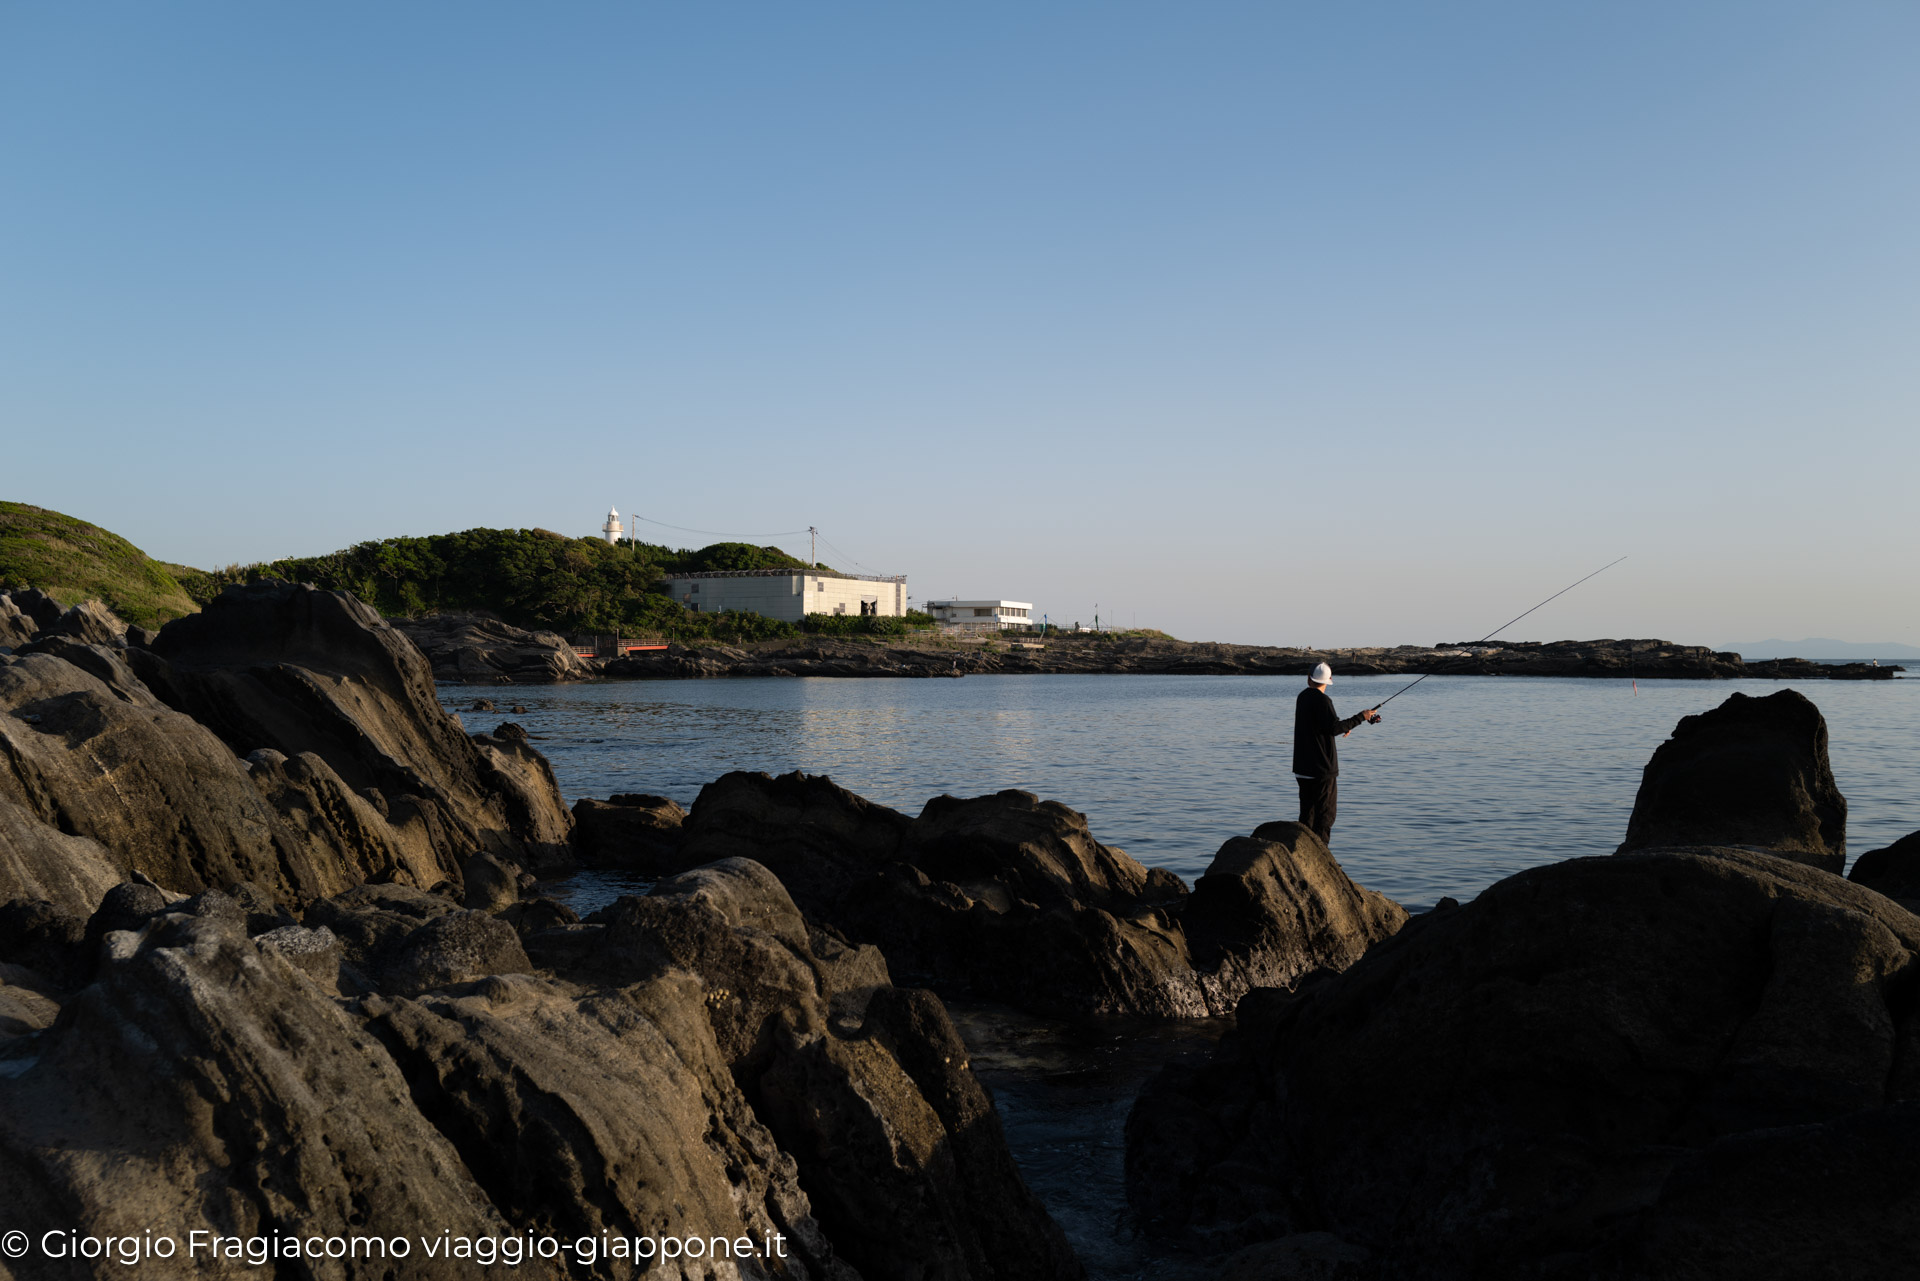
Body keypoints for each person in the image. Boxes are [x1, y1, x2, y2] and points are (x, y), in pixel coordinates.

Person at [1293, 662, 1379, 845]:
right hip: (1322, 770)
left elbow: (1323, 726)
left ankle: (1301, 853)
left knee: (1307, 817)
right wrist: (1360, 717)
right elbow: (1332, 728)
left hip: (1302, 768)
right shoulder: (1323, 701)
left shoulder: (1302, 697)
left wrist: (1344, 727)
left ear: (1309, 678)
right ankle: (1321, 860)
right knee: (1325, 817)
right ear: (1329, 680)